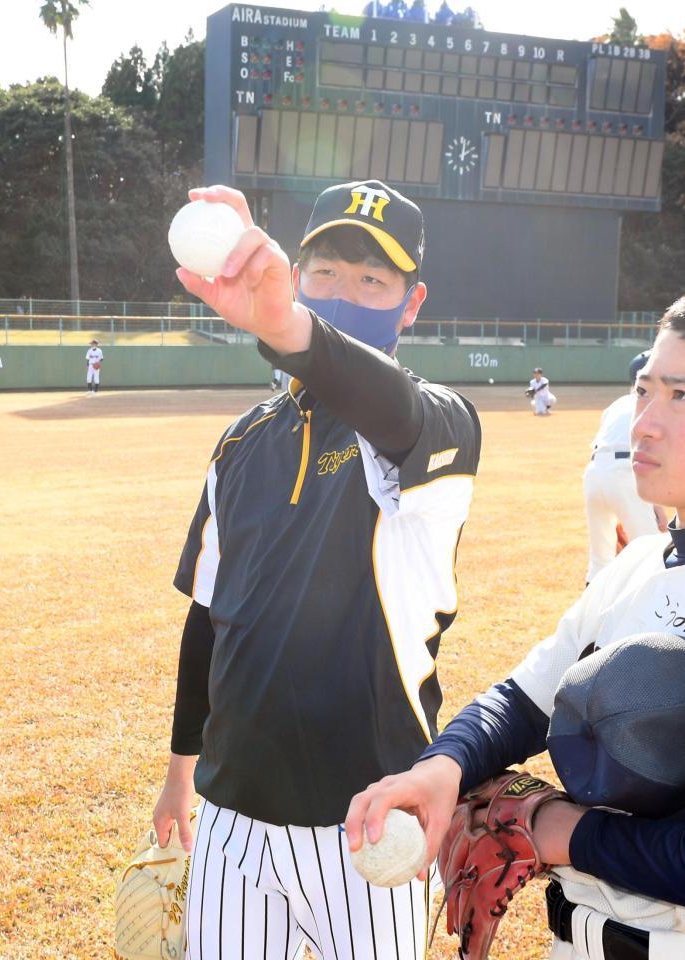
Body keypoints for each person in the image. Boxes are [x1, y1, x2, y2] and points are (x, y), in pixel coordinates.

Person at [346, 286, 685, 960]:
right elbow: (521, 701)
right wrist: (444, 766)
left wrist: (563, 833)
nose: (643, 423)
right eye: (643, 390)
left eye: (681, 397)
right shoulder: (645, 561)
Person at [153, 180, 481, 960]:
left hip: (368, 819)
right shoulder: (239, 444)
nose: (346, 293)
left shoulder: (436, 424)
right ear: (295, 275)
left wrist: (285, 325)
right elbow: (208, 616)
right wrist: (178, 772)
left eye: (373, 280)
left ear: (411, 304)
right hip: (232, 811)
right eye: (326, 272)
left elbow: (386, 403)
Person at [582, 351, 667, 583]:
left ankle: (591, 611)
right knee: (650, 554)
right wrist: (655, 503)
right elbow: (648, 453)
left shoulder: (616, 404)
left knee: (600, 558)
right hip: (625, 473)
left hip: (593, 473)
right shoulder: (653, 405)